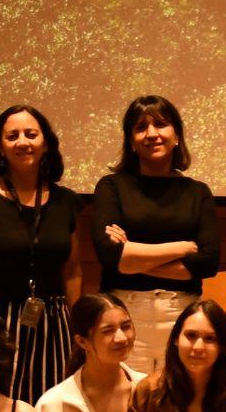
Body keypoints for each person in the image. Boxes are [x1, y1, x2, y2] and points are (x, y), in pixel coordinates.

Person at [0, 104, 83, 403]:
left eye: (31, 134)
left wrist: (79, 327)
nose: (23, 142)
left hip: (54, 323)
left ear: (45, 142)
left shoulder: (67, 201)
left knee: (52, 406)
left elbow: (72, 271)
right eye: (13, 136)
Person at [91, 96, 219, 374]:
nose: (151, 134)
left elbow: (208, 262)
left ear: (176, 136)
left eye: (160, 125)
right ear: (131, 141)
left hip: (183, 315)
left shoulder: (198, 192)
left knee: (181, 407)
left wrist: (132, 258)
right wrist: (183, 247)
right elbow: (110, 256)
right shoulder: (111, 186)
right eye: (140, 127)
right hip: (124, 315)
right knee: (127, 405)